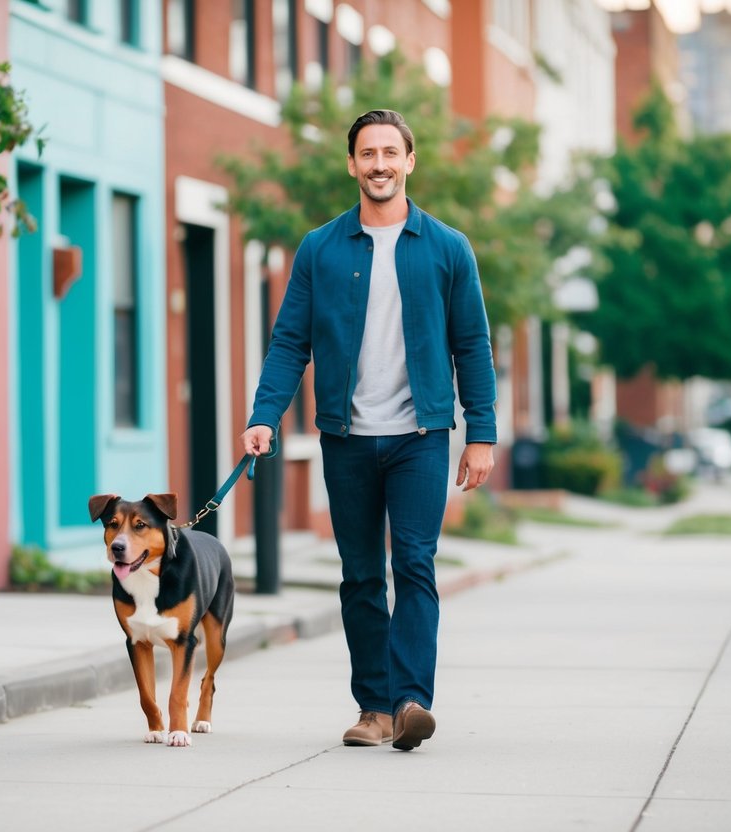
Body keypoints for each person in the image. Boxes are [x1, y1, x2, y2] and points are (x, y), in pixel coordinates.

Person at [241, 109, 497, 751]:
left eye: (391, 152)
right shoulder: (320, 247)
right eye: (367, 153)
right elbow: (288, 341)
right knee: (359, 573)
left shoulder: (447, 247)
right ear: (352, 164)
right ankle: (374, 708)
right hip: (347, 438)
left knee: (413, 563)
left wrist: (482, 433)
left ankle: (412, 701)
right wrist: (263, 417)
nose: (379, 163)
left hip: (420, 437)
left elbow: (473, 345)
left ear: (411, 160)